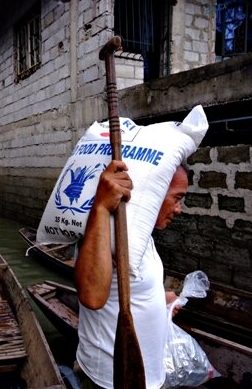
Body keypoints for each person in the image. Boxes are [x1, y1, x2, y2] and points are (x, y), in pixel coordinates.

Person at [74, 160, 188, 389]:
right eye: (176, 198)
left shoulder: (140, 234)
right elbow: (92, 296)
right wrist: (101, 207)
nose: (179, 209)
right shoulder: (110, 231)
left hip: (145, 375)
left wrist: (160, 299)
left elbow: (131, 284)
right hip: (110, 379)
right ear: (153, 191)